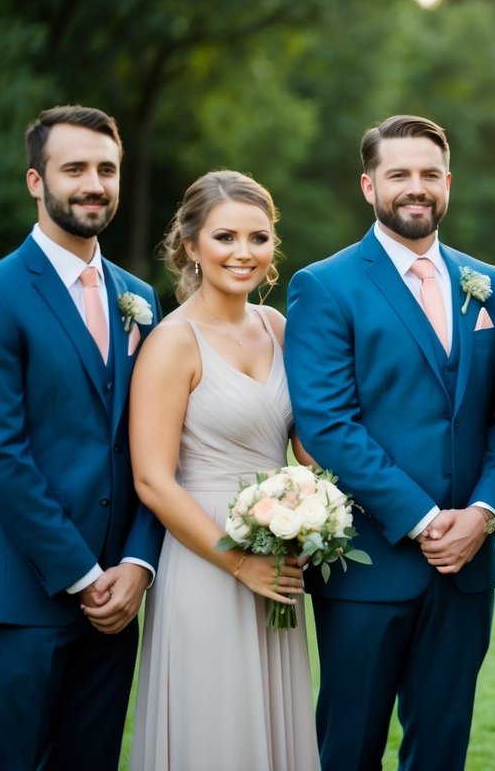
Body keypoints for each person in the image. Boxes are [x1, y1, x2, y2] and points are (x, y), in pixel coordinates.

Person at [285, 114, 495, 770]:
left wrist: (483, 514)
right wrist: (426, 520)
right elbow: (327, 424)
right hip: (368, 564)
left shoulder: (486, 283)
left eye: (429, 174)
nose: (416, 187)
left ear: (448, 183)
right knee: (349, 747)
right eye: (399, 173)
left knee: (443, 747)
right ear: (368, 185)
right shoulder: (325, 286)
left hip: (467, 567)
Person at [0, 105, 164, 770]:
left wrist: (137, 565)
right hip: (20, 598)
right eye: (74, 168)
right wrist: (82, 576)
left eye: (107, 169)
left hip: (117, 602)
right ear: (36, 180)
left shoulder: (139, 298)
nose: (94, 184)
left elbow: (155, 446)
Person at [127, 170, 318, 769]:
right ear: (191, 245)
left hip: (276, 546)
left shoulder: (278, 328)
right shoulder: (173, 341)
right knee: (215, 727)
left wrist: (314, 509)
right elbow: (152, 480)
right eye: (225, 237)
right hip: (207, 555)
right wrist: (241, 563)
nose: (243, 252)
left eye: (258, 238)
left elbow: (308, 448)